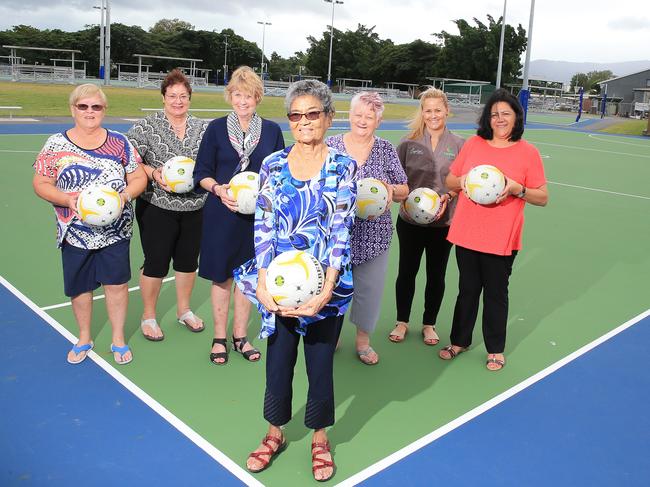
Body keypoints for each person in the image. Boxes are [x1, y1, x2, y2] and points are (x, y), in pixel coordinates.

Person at [234, 79, 356, 482]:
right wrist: (264, 283)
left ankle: (320, 438)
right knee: (279, 360)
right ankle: (275, 433)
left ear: (328, 117)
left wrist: (326, 290)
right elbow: (263, 225)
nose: (303, 122)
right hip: (280, 285)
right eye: (295, 115)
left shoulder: (344, 166)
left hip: (325, 286)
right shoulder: (271, 164)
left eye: (312, 114)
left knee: (320, 363)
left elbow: (341, 230)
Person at [32, 84, 147, 365]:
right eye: (83, 106)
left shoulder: (120, 142)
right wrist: (67, 199)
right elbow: (40, 183)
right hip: (74, 232)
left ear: (104, 109)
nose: (89, 112)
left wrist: (123, 197)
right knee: (80, 287)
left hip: (115, 231)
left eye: (96, 106)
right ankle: (84, 337)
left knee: (117, 284)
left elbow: (139, 178)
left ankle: (118, 339)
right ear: (73, 109)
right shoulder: (55, 144)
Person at [442, 88, 548, 371]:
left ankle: (495, 349)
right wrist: (463, 180)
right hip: (467, 232)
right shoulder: (475, 144)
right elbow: (451, 180)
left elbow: (542, 196)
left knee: (496, 293)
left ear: (516, 117)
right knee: (467, 290)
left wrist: (517, 189)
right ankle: (459, 341)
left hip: (501, 237)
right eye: (494, 114)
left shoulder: (528, 153)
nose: (499, 119)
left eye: (505, 113)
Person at [194, 66, 284, 365]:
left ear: (257, 97)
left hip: (256, 218)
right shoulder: (217, 128)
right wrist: (219, 189)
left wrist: (264, 197)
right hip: (221, 213)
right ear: (229, 96)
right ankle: (219, 337)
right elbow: (201, 172)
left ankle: (240, 336)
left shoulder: (271, 131)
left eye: (248, 95)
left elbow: (279, 174)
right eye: (237, 95)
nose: (243, 101)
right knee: (221, 278)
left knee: (247, 279)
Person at [326, 92, 408, 365]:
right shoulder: (331, 145)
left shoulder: (385, 149)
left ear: (378, 121)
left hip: (375, 235)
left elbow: (404, 188)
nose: (363, 120)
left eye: (369, 116)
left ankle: (363, 341)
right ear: (349, 116)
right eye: (358, 114)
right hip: (335, 232)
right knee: (332, 285)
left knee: (369, 290)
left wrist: (389, 189)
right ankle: (333, 335)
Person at [127, 69, 208, 341]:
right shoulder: (146, 126)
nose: (177, 101)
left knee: (187, 262)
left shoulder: (202, 128)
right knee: (156, 262)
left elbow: (210, 162)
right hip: (156, 205)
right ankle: (148, 315)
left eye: (183, 96)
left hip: (195, 205)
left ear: (190, 99)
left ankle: (183, 310)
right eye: (172, 96)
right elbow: (130, 160)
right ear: (163, 97)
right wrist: (153, 173)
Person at [389, 88, 464, 347]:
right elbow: (395, 180)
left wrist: (450, 195)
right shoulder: (408, 143)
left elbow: (462, 183)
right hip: (410, 221)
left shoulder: (459, 145)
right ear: (422, 112)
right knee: (406, 271)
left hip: (443, 223)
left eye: (437, 110)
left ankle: (429, 324)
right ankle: (402, 321)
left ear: (446, 111)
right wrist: (402, 198)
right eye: (428, 110)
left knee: (436, 274)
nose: (433, 115)